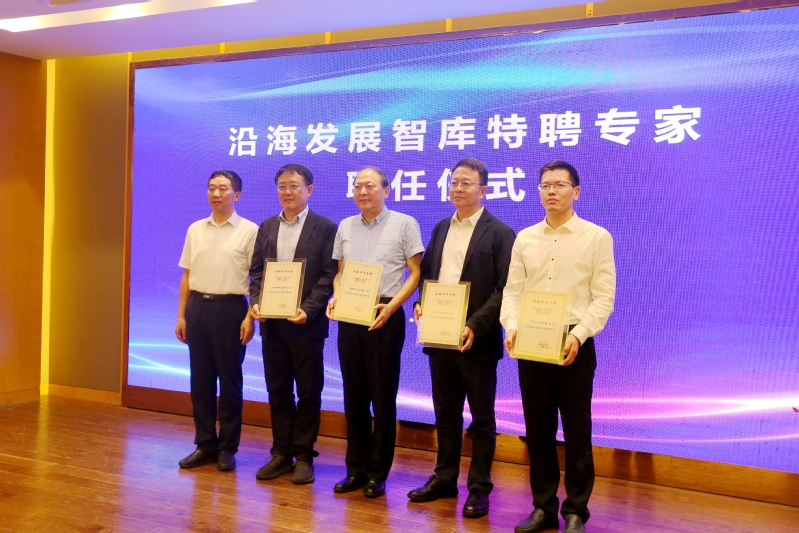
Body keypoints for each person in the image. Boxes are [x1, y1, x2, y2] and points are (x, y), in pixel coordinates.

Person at [501, 161, 616, 533]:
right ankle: (543, 507)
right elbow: (512, 291)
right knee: (538, 429)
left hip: (573, 341)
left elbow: (603, 298)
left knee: (577, 430)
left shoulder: (596, 237)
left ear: (576, 192)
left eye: (560, 185)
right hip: (532, 339)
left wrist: (578, 334)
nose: (551, 191)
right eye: (545, 185)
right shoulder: (525, 238)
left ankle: (576, 510)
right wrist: (511, 326)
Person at [408, 158, 515, 518]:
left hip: (476, 341)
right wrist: (422, 302)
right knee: (446, 413)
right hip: (440, 337)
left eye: (466, 183)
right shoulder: (441, 227)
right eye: (454, 182)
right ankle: (444, 478)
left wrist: (475, 325)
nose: (457, 188)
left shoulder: (500, 232)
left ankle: (479, 487)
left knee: (481, 418)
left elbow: (504, 288)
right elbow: (428, 274)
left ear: (483, 190)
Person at [325, 166, 424, 498]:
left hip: (385, 314)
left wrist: (392, 307)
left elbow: (415, 272)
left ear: (386, 191)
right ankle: (355, 469)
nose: (363, 191)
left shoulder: (405, 223)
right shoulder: (345, 226)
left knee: (382, 397)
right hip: (351, 315)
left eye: (370, 186)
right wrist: (337, 297)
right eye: (357, 186)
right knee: (353, 396)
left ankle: (377, 473)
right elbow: (340, 273)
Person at [248, 164, 337, 485]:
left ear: (309, 190)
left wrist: (308, 309)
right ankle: (281, 453)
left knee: (309, 391)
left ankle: (304, 455)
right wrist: (256, 302)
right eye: (282, 186)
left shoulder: (325, 227)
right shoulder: (267, 226)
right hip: (272, 323)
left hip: (306, 324)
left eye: (294, 186)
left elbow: (329, 275)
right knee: (278, 390)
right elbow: (256, 272)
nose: (288, 191)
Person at [175, 170, 258, 472]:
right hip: (198, 308)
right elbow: (187, 275)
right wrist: (181, 315)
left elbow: (257, 279)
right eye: (211, 188)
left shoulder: (250, 231)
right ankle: (205, 444)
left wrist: (250, 317)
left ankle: (227, 448)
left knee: (230, 382)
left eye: (223, 188)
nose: (216, 194)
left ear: (237, 195)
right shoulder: (195, 229)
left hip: (231, 310)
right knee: (201, 381)